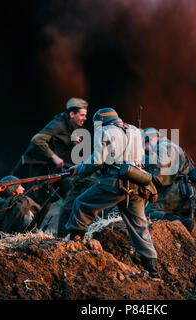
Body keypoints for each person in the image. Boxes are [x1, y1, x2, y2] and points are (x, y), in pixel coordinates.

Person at [65, 108, 159, 278]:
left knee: (81, 204)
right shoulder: (136, 131)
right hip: (138, 182)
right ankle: (153, 271)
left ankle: (74, 247)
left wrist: (79, 169)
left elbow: (97, 161)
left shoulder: (104, 131)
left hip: (115, 182)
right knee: (140, 228)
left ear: (101, 121)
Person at [17, 97, 88, 205]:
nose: (85, 118)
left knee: (68, 188)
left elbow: (57, 143)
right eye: (82, 115)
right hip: (37, 166)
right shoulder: (59, 124)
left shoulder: (70, 126)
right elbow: (37, 140)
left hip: (49, 168)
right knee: (36, 201)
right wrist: (54, 157)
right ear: (72, 114)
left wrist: (71, 143)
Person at [142, 128, 196, 234]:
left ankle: (185, 223)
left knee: (148, 213)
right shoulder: (167, 146)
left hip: (180, 193)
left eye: (144, 144)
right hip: (183, 193)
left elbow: (160, 177)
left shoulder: (165, 147)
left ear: (150, 139)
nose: (144, 149)